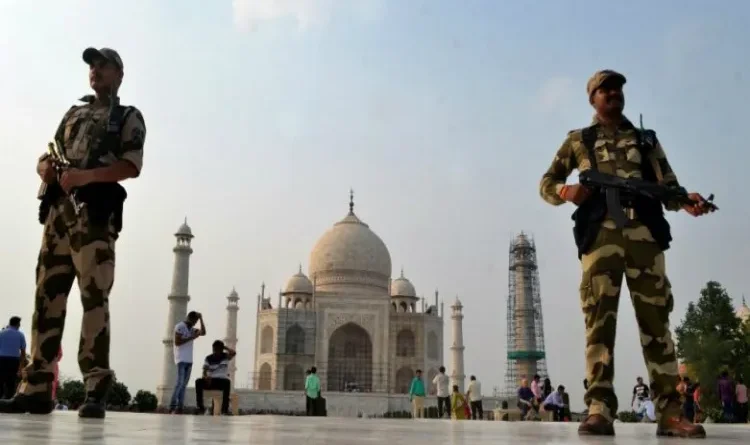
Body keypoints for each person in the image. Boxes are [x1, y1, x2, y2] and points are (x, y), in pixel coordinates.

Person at [539, 69, 711, 438]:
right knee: (600, 323)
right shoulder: (578, 140)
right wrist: (567, 192)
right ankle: (599, 407)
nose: (613, 94)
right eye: (605, 89)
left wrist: (687, 201)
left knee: (657, 324)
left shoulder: (645, 140)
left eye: (617, 89)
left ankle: (670, 413)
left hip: (645, 237)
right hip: (600, 238)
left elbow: (668, 185)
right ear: (593, 98)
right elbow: (547, 183)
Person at [0, 47, 146, 419]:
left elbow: (131, 166)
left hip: (94, 218)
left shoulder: (127, 117)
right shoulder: (74, 113)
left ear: (119, 73)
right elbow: (46, 155)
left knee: (94, 298)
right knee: (47, 297)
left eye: (102, 65)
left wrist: (86, 176)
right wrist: (45, 170)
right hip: (58, 216)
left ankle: (95, 388)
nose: (95, 71)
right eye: (92, 66)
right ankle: (36, 386)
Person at [170, 311, 206, 413]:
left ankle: (180, 407)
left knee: (184, 384)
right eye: (195, 320)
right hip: (181, 359)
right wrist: (192, 337)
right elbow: (177, 342)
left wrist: (201, 319)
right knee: (179, 383)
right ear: (190, 318)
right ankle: (172, 406)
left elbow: (203, 332)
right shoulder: (180, 326)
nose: (195, 323)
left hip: (189, 360)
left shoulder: (192, 329)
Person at [194, 340, 236, 415]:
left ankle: (224, 410)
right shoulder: (208, 358)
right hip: (210, 381)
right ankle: (200, 408)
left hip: (221, 381)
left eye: (217, 349)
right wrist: (205, 377)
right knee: (198, 381)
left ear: (221, 349)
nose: (215, 351)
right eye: (214, 349)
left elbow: (233, 353)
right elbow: (204, 371)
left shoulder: (225, 356)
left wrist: (225, 348)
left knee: (227, 382)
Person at [0, 317, 26, 399]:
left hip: (1, 359)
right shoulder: (20, 335)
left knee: (0, 381)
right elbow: (23, 353)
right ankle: (7, 401)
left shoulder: (1, 333)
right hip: (14, 360)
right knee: (10, 382)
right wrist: (21, 367)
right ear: (18, 324)